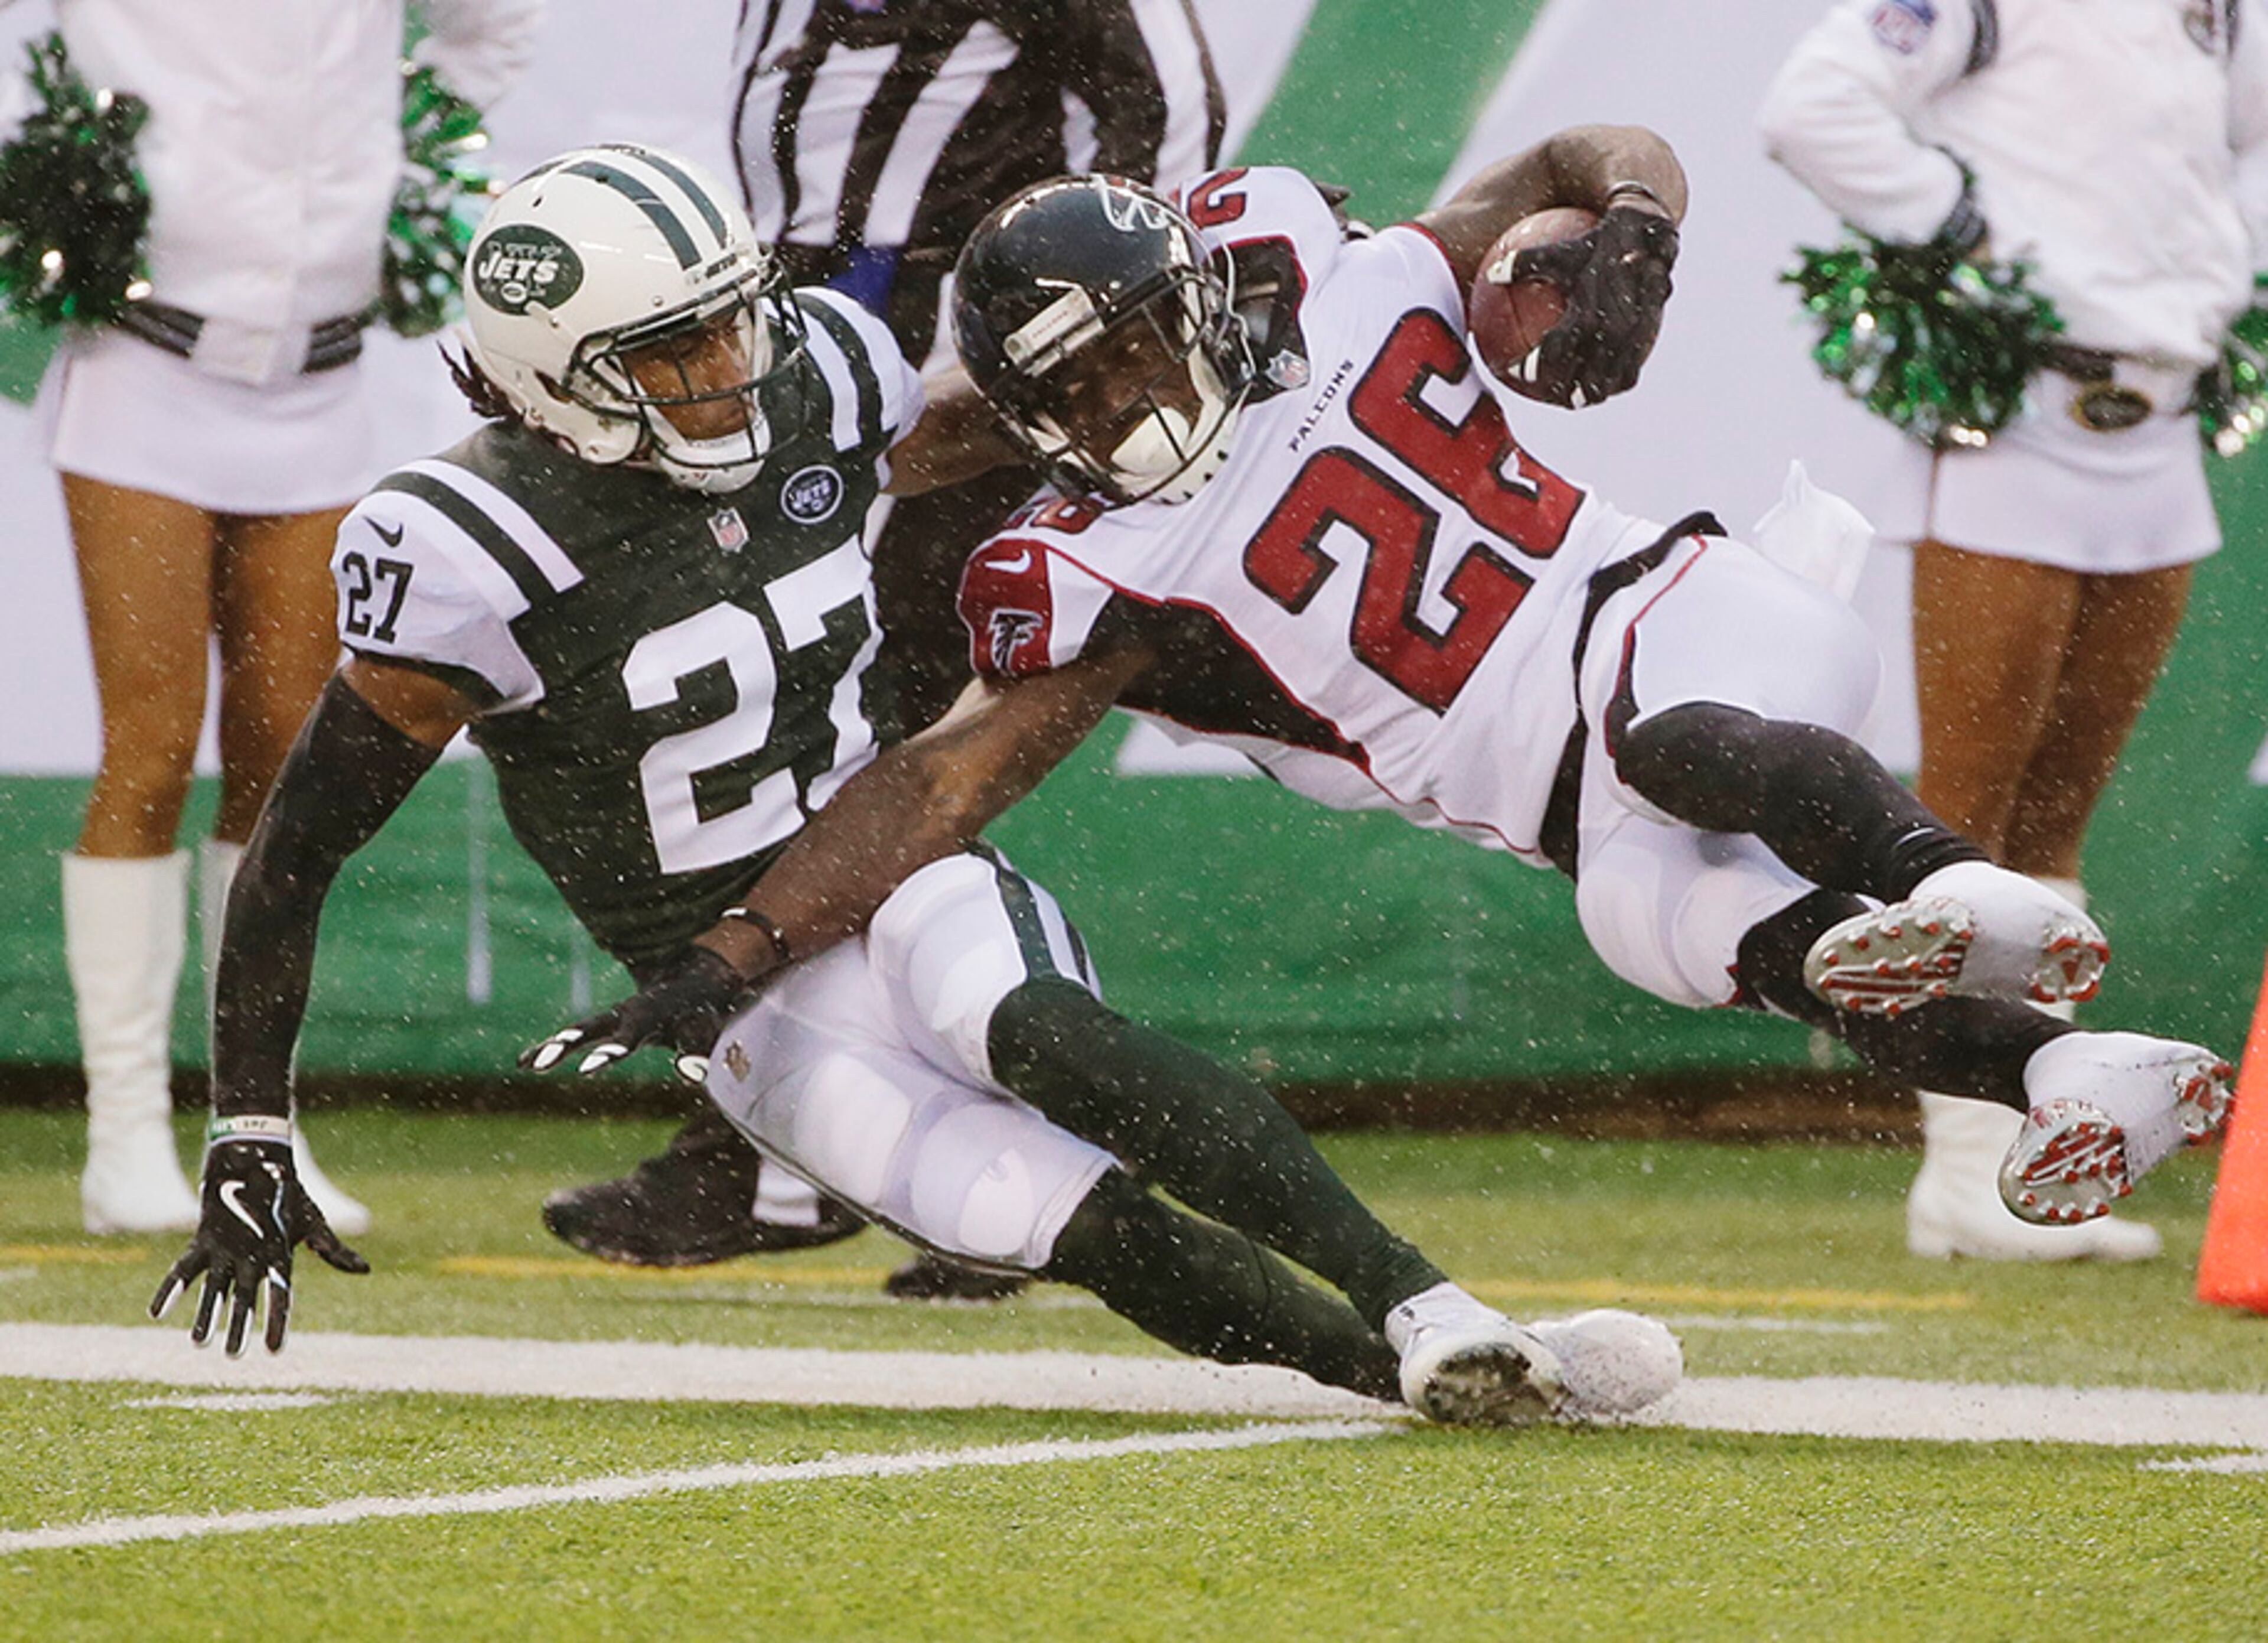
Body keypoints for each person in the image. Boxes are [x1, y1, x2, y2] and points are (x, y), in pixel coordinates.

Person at [148, 144, 1683, 1431]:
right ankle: (1442, 1367)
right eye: (673, 354)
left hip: (880, 863)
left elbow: (975, 417)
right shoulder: (463, 551)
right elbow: (293, 858)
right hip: (732, 992)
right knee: (1055, 1216)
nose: (730, 369)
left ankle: (1430, 1293)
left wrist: (1214, 384)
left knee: (1037, 1029)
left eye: (731, 322)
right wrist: (251, 1129)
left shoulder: (807, 370)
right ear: (562, 386)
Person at [539, 133, 2236, 1257]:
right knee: (1687, 935)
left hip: (1695, 624)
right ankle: (2084, 1076)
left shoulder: (1357, 279)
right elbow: (940, 784)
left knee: (1672, 741)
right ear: (1029, 411)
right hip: (1584, 811)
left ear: (1200, 291)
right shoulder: (1091, 570)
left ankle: (1949, 876)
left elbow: (1586, 155)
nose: (1129, 392)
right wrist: (732, 956)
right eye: (1084, 383)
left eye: (1138, 344)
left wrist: (1635, 228)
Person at [545, 0, 1228, 1294]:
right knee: (788, 738)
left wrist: (1051, 347)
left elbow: (1170, 121)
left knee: (916, 764)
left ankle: (1008, 1145)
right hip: (781, 345)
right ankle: (782, 1142)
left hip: (942, 359)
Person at [12, 0, 543, 1237]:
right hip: (143, 359)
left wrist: (410, 154)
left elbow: (490, 26)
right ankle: (125, 1137)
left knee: (286, 758)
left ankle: (252, 1125)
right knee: (149, 744)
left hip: (322, 379)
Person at [1757, 0, 2268, 1260]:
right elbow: (1809, 105)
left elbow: (2242, 147)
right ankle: (1967, 1170)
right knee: (1969, 818)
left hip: (2158, 423)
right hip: (2015, 416)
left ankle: (2034, 1143)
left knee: (2056, 820)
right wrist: (1965, 230)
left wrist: (2207, 278)